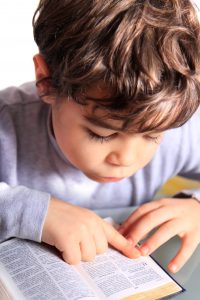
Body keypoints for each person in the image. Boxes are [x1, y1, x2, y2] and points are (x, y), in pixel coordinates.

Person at [1, 0, 200, 274]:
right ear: (46, 81)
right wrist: (30, 210)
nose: (126, 159)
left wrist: (196, 207)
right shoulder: (7, 121)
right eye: (102, 134)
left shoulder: (172, 119)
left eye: (152, 136)